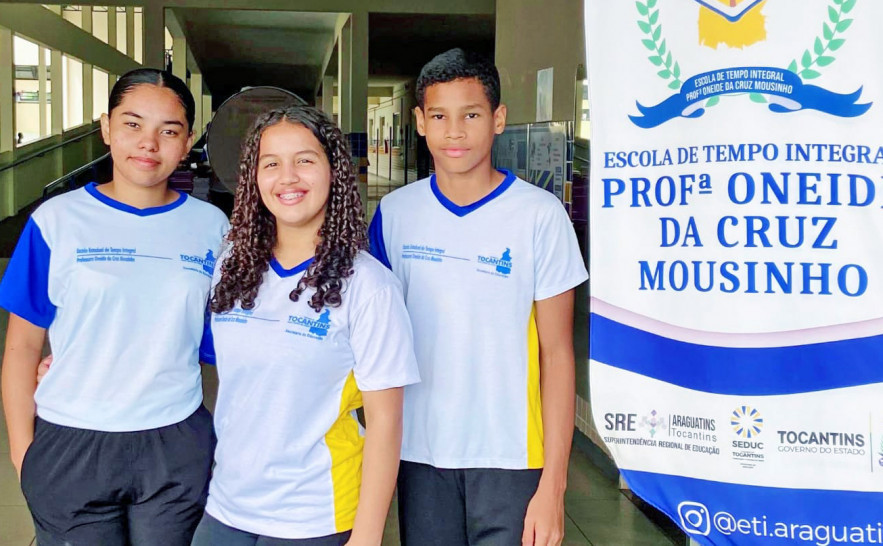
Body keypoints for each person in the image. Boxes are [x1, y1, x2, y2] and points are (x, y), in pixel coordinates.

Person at [368, 48, 588, 546]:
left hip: (512, 457)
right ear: (419, 122)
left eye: (471, 115)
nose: (454, 132)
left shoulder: (540, 216)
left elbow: (557, 354)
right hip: (419, 452)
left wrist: (553, 486)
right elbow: (375, 343)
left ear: (498, 119)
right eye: (439, 117)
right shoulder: (395, 215)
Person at [0, 68, 228, 546]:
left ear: (187, 143)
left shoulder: (212, 227)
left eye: (169, 131)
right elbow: (21, 348)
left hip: (174, 438)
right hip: (72, 440)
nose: (149, 143)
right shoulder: (57, 221)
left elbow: (229, 338)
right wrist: (25, 454)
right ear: (106, 128)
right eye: (132, 124)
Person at [191, 105, 419, 546]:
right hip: (227, 505)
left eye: (305, 160)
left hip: (315, 516)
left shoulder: (368, 286)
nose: (288, 177)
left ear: (334, 171)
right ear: (254, 178)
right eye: (271, 164)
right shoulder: (232, 267)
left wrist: (368, 536)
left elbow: (386, 422)